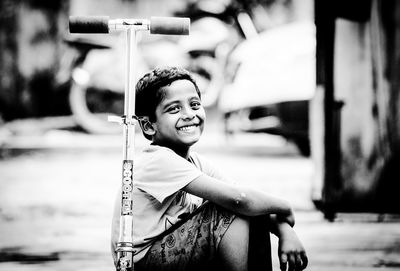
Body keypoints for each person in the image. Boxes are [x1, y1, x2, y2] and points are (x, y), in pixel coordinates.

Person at [111, 66, 308, 271]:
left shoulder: (195, 162)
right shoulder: (157, 160)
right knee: (228, 207)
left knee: (251, 211)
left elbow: (247, 199)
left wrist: (285, 231)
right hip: (143, 263)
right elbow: (238, 199)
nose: (189, 114)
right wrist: (284, 206)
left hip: (174, 255)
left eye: (194, 104)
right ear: (149, 126)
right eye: (174, 109)